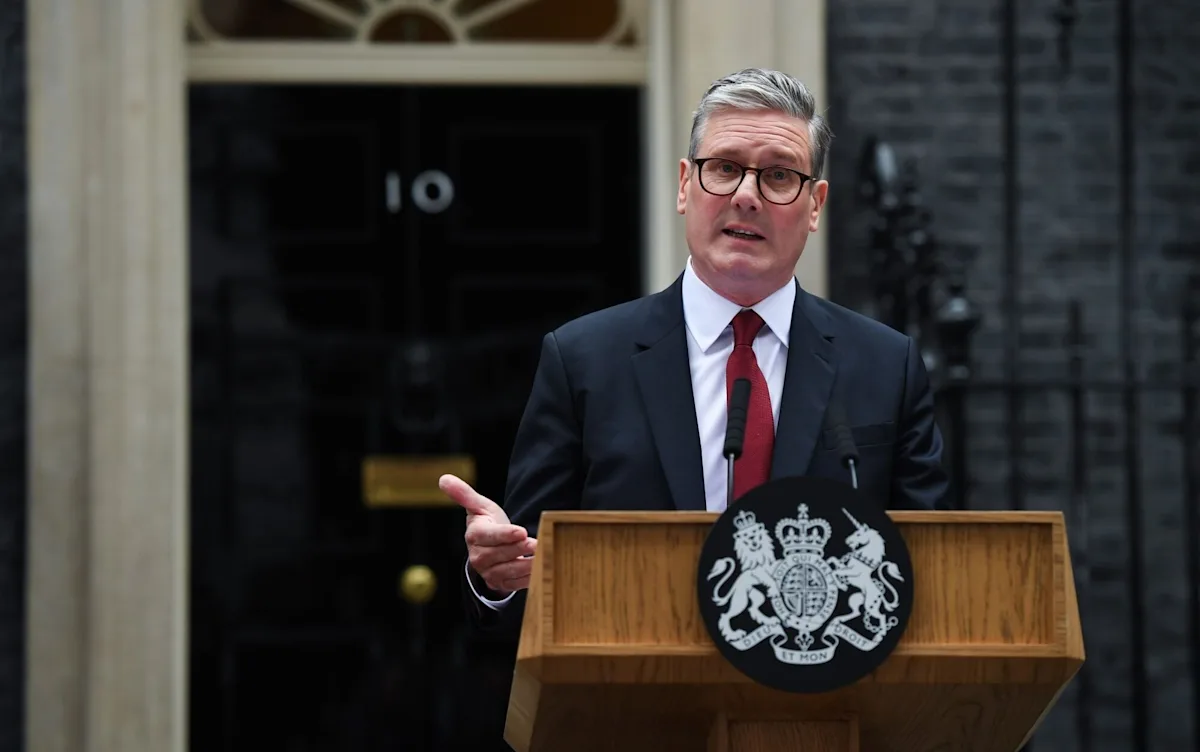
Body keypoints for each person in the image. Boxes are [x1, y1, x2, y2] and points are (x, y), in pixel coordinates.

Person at [439, 67, 950, 633]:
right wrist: (497, 579)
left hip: (827, 681)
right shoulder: (583, 360)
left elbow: (931, 573)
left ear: (814, 205)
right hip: (635, 680)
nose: (747, 196)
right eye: (725, 168)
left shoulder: (886, 366)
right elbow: (528, 570)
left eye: (779, 176)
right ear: (685, 185)